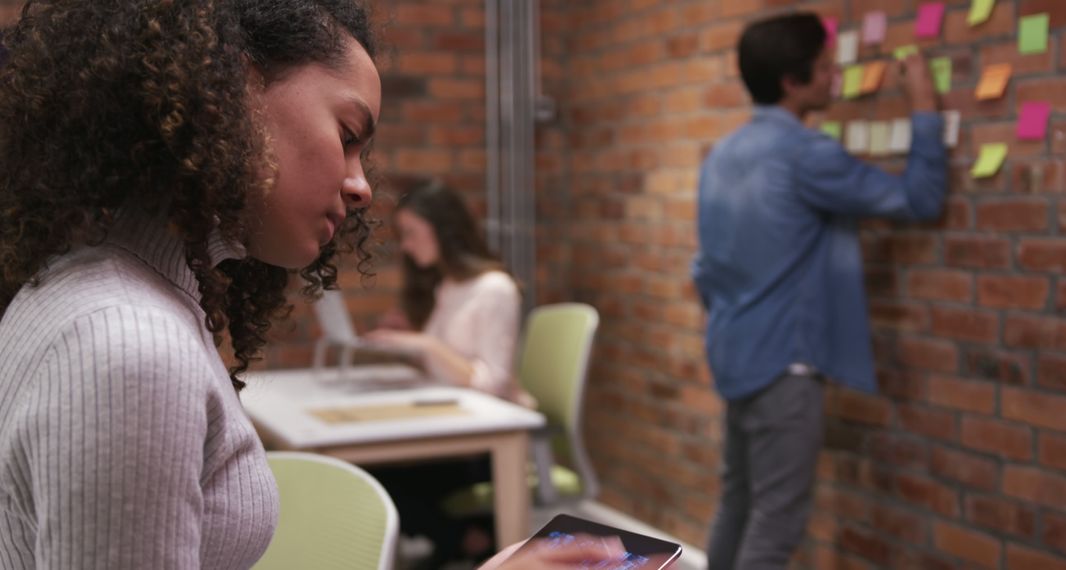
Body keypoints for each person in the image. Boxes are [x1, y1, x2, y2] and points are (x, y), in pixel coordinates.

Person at [0, 1, 622, 569]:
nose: (362, 186)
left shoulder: (92, 294)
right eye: (348, 137)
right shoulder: (128, 346)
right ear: (231, 89)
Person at [691, 12, 947, 570]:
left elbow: (703, 271)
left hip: (734, 354)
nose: (836, 77)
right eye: (827, 66)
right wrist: (924, 104)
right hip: (786, 366)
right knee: (775, 523)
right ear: (792, 80)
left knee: (738, 502)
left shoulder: (724, 155)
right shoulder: (807, 154)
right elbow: (920, 200)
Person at [364, 180, 531, 568]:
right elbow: (444, 370)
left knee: (376, 482)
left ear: (443, 230)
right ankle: (465, 540)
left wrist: (425, 344)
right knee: (370, 475)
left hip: (481, 443)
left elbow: (492, 381)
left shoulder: (495, 288)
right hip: (450, 429)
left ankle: (469, 539)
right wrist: (408, 342)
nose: (405, 245)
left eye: (411, 234)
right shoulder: (449, 285)